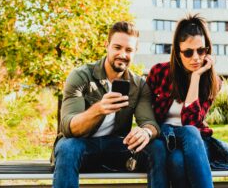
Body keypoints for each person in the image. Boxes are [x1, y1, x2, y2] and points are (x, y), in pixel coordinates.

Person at [53, 21, 168, 188]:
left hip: (116, 146)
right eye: (117, 47)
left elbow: (150, 123)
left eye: (128, 50)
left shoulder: (139, 85)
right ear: (107, 46)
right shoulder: (81, 76)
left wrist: (146, 132)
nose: (122, 54)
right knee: (68, 147)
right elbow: (68, 127)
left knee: (157, 147)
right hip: (81, 145)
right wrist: (98, 110)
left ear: (135, 52)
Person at [146, 14, 228, 188]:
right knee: (179, 150)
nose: (195, 57)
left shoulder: (212, 81)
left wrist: (196, 77)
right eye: (188, 52)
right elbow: (146, 115)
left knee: (179, 156)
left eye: (201, 50)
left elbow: (192, 122)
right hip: (165, 139)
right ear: (177, 52)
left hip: (196, 142)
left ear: (207, 50)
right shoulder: (159, 73)